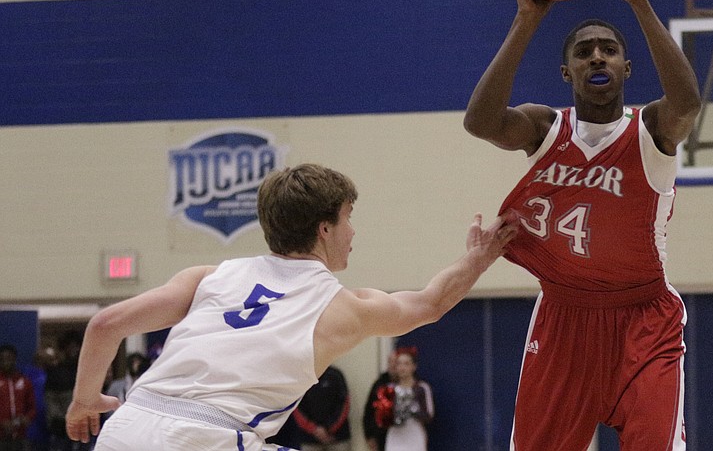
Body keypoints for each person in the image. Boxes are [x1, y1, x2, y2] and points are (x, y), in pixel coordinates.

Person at [64, 163, 517, 451]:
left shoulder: (208, 276)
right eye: (348, 219)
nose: (353, 232)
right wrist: (480, 257)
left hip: (128, 426)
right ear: (325, 229)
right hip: (208, 437)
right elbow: (431, 304)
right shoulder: (342, 307)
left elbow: (107, 323)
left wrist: (84, 400)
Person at [463, 0, 701, 450]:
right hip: (563, 318)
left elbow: (687, 103)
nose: (597, 56)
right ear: (567, 72)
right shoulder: (546, 128)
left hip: (644, 322)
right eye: (585, 51)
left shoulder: (651, 130)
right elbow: (480, 122)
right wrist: (527, 20)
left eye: (609, 50)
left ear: (627, 68)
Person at [383, 347, 433, 451]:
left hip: (413, 434)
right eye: (399, 364)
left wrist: (413, 410)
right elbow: (383, 418)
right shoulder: (389, 389)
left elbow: (429, 414)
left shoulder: (421, 388)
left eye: (406, 364)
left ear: (413, 366)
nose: (402, 368)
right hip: (395, 435)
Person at [292, 365, 351, 451]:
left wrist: (328, 428)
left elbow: (344, 404)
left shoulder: (336, 375)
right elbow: (296, 408)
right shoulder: (302, 377)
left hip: (337, 437)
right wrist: (314, 429)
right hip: (309, 439)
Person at [0, 344, 37, 451]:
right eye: (2, 359)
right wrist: (2, 423)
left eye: (8, 358)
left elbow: (32, 407)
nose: (5, 362)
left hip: (21, 436)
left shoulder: (25, 382)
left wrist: (27, 418)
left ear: (14, 359)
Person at [362, 351, 398, 451]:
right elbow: (369, 411)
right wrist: (369, 436)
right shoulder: (380, 383)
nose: (393, 365)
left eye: (396, 362)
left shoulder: (410, 384)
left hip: (402, 434)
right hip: (381, 434)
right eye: (390, 362)